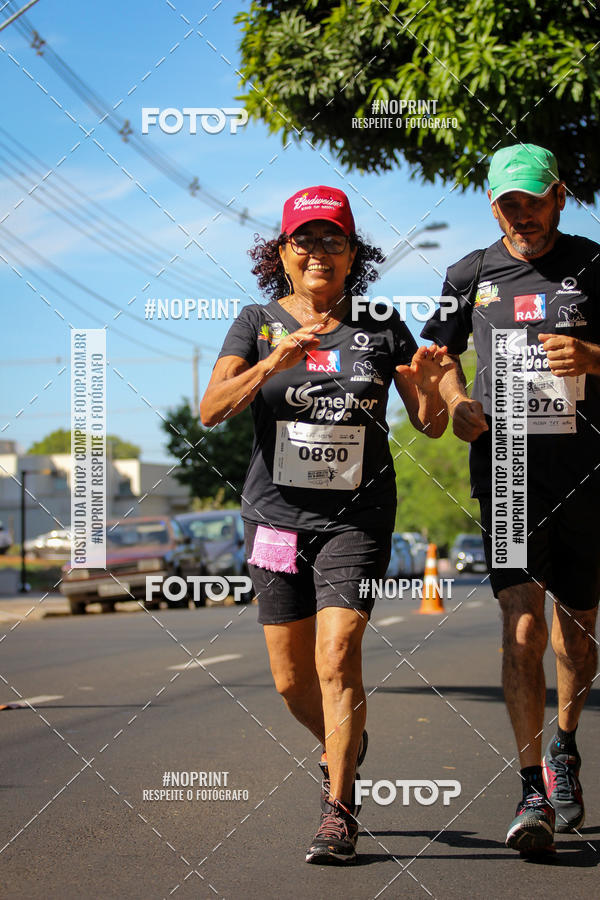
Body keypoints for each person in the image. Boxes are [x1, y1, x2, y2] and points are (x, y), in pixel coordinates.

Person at [200, 185, 450, 864]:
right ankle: (346, 742)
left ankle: (339, 809)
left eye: (332, 240)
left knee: (337, 656)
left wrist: (428, 385)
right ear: (281, 252)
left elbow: (430, 424)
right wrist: (268, 365)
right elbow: (211, 409)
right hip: (276, 520)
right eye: (304, 240)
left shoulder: (379, 321)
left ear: (352, 254)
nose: (318, 251)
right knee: (290, 681)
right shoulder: (255, 322)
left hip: (356, 519)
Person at [422, 144, 600, 854]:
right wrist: (458, 401)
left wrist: (592, 358)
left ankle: (563, 746)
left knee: (577, 627)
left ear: (559, 195)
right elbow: (435, 361)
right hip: (508, 468)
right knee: (522, 621)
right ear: (491, 204)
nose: (520, 213)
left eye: (532, 198)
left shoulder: (595, 263)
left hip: (586, 470)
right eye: (507, 203)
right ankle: (531, 789)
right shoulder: (468, 273)